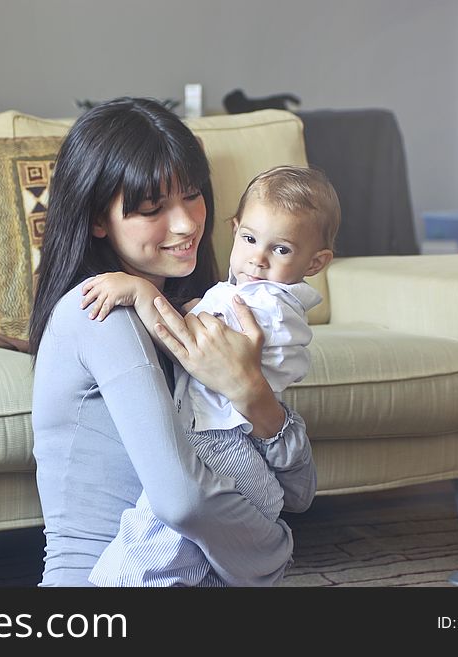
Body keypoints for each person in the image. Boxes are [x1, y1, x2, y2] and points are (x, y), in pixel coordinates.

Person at [29, 97, 317, 587]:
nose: (186, 224)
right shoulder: (99, 312)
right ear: (100, 220)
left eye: (192, 195)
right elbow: (181, 500)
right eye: (152, 209)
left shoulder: (205, 315)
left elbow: (300, 491)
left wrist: (251, 392)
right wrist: (274, 549)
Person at [79, 166, 340, 586]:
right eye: (250, 240)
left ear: (317, 262)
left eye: (282, 250)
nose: (258, 258)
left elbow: (190, 348)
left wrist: (144, 292)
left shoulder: (266, 302)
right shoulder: (248, 295)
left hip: (220, 444)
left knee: (145, 553)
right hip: (236, 445)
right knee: (196, 567)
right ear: (235, 230)